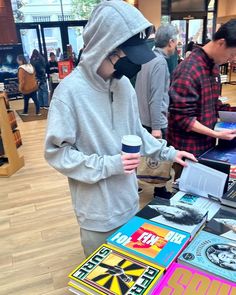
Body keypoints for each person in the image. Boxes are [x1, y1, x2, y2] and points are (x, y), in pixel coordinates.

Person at [44, 0, 196, 257]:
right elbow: (57, 154)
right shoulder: (68, 94)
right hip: (96, 213)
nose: (131, 66)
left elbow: (136, 131)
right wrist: (110, 165)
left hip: (128, 203)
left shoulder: (123, 85)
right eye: (126, 57)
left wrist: (170, 153)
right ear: (103, 48)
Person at [168, 19, 236, 179]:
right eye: (232, 54)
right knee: (186, 189)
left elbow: (214, 104)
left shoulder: (212, 65)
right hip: (188, 147)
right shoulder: (189, 70)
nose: (232, 59)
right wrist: (216, 134)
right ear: (221, 43)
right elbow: (182, 118)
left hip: (206, 144)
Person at [135, 24, 178, 198]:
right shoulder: (160, 63)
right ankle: (159, 190)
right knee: (158, 155)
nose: (177, 46)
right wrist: (157, 127)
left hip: (142, 116)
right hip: (154, 120)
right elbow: (157, 97)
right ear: (170, 42)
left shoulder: (147, 58)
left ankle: (137, 184)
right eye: (176, 42)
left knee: (141, 154)